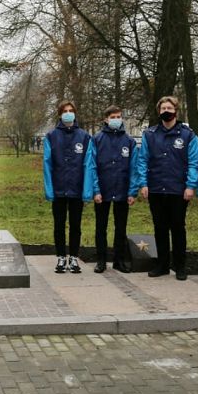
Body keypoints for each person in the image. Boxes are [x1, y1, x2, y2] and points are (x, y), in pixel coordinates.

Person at [136, 96, 198, 280]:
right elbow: (143, 160)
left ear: (176, 111)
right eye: (163, 107)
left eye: (169, 108)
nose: (166, 111)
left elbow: (194, 162)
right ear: (159, 111)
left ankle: (180, 266)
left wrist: (190, 185)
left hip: (178, 190)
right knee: (160, 228)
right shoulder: (150, 134)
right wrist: (144, 183)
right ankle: (162, 265)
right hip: (156, 188)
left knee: (178, 228)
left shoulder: (188, 135)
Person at [43, 100, 96, 274]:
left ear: (75, 113)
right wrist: (49, 189)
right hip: (58, 189)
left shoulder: (84, 137)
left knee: (75, 225)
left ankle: (73, 257)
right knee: (59, 225)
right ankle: (60, 257)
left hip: (76, 189)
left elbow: (88, 165)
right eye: (65, 111)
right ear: (60, 114)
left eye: (70, 110)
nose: (68, 113)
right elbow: (47, 164)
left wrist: (87, 190)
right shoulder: (51, 136)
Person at [91, 105, 138, 273]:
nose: (116, 119)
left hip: (122, 191)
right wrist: (95, 190)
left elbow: (134, 168)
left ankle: (119, 260)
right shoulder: (97, 139)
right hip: (102, 191)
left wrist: (132, 192)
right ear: (106, 119)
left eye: (119, 116)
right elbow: (92, 166)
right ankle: (101, 260)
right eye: (113, 117)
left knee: (121, 227)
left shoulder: (129, 141)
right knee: (100, 227)